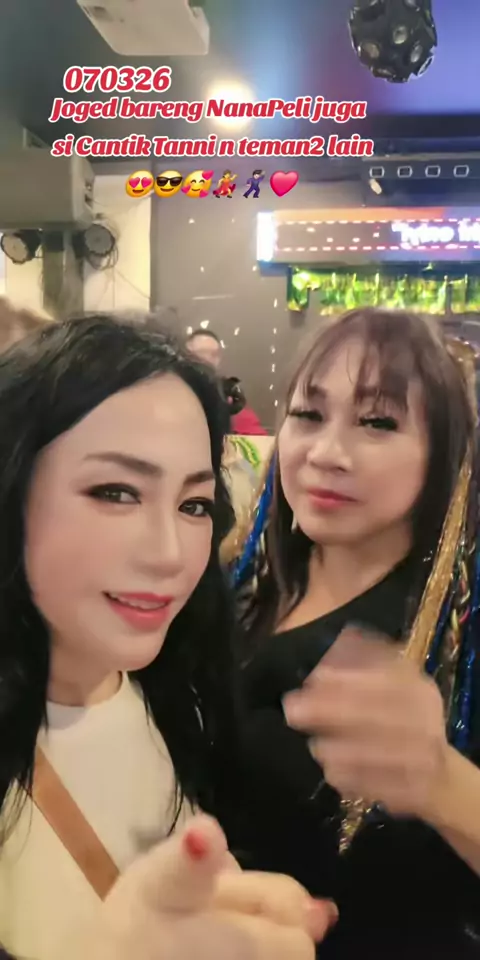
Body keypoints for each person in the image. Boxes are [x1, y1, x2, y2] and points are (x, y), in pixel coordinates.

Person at [225, 308, 480, 959]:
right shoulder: (233, 585)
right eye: (308, 415)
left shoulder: (460, 637)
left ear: (445, 451)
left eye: (377, 423)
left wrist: (441, 781)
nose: (326, 453)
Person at [185, 329, 267, 435]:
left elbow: (257, 436)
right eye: (201, 353)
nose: (208, 359)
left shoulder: (228, 396)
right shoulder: (171, 391)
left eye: (214, 354)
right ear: (185, 357)